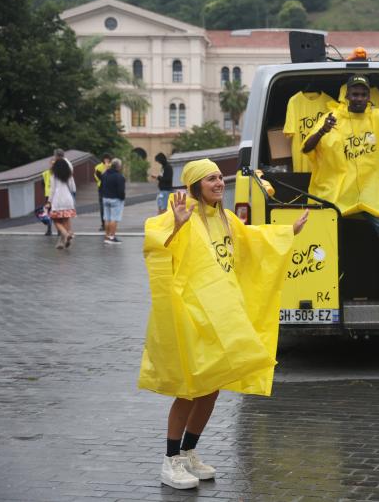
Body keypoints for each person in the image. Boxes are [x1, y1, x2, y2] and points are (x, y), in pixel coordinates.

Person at [138, 158, 308, 489]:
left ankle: (188, 452)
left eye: (219, 177)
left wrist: (288, 231)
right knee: (190, 387)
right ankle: (170, 460)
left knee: (211, 388)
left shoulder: (225, 218)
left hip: (222, 313)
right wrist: (175, 226)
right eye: (210, 179)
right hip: (193, 314)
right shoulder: (180, 212)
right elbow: (154, 248)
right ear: (195, 185)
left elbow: (253, 240)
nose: (218, 183)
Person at [303, 74, 379, 305]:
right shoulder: (331, 118)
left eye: (363, 94)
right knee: (323, 240)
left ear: (369, 97)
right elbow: (306, 147)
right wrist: (322, 132)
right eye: (354, 94)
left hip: (373, 197)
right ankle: (327, 293)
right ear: (346, 95)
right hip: (338, 197)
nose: (358, 98)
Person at [48, 157, 77, 250]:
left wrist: (49, 201)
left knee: (55, 220)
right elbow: (73, 189)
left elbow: (52, 190)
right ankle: (64, 240)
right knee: (65, 220)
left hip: (58, 200)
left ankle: (65, 234)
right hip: (68, 200)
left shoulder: (54, 176)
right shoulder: (69, 176)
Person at [101, 158, 126, 244]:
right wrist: (122, 198)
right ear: (118, 167)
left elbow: (101, 186)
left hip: (105, 198)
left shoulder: (104, 174)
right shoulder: (119, 176)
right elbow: (121, 190)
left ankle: (107, 236)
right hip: (115, 199)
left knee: (107, 218)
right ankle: (112, 237)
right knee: (114, 219)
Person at [94, 153, 113, 231]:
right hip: (102, 188)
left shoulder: (112, 166)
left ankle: (110, 224)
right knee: (102, 207)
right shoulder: (98, 167)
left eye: (108, 159)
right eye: (105, 159)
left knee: (111, 207)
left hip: (111, 188)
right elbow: (99, 177)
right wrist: (105, 169)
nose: (107, 161)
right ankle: (103, 224)